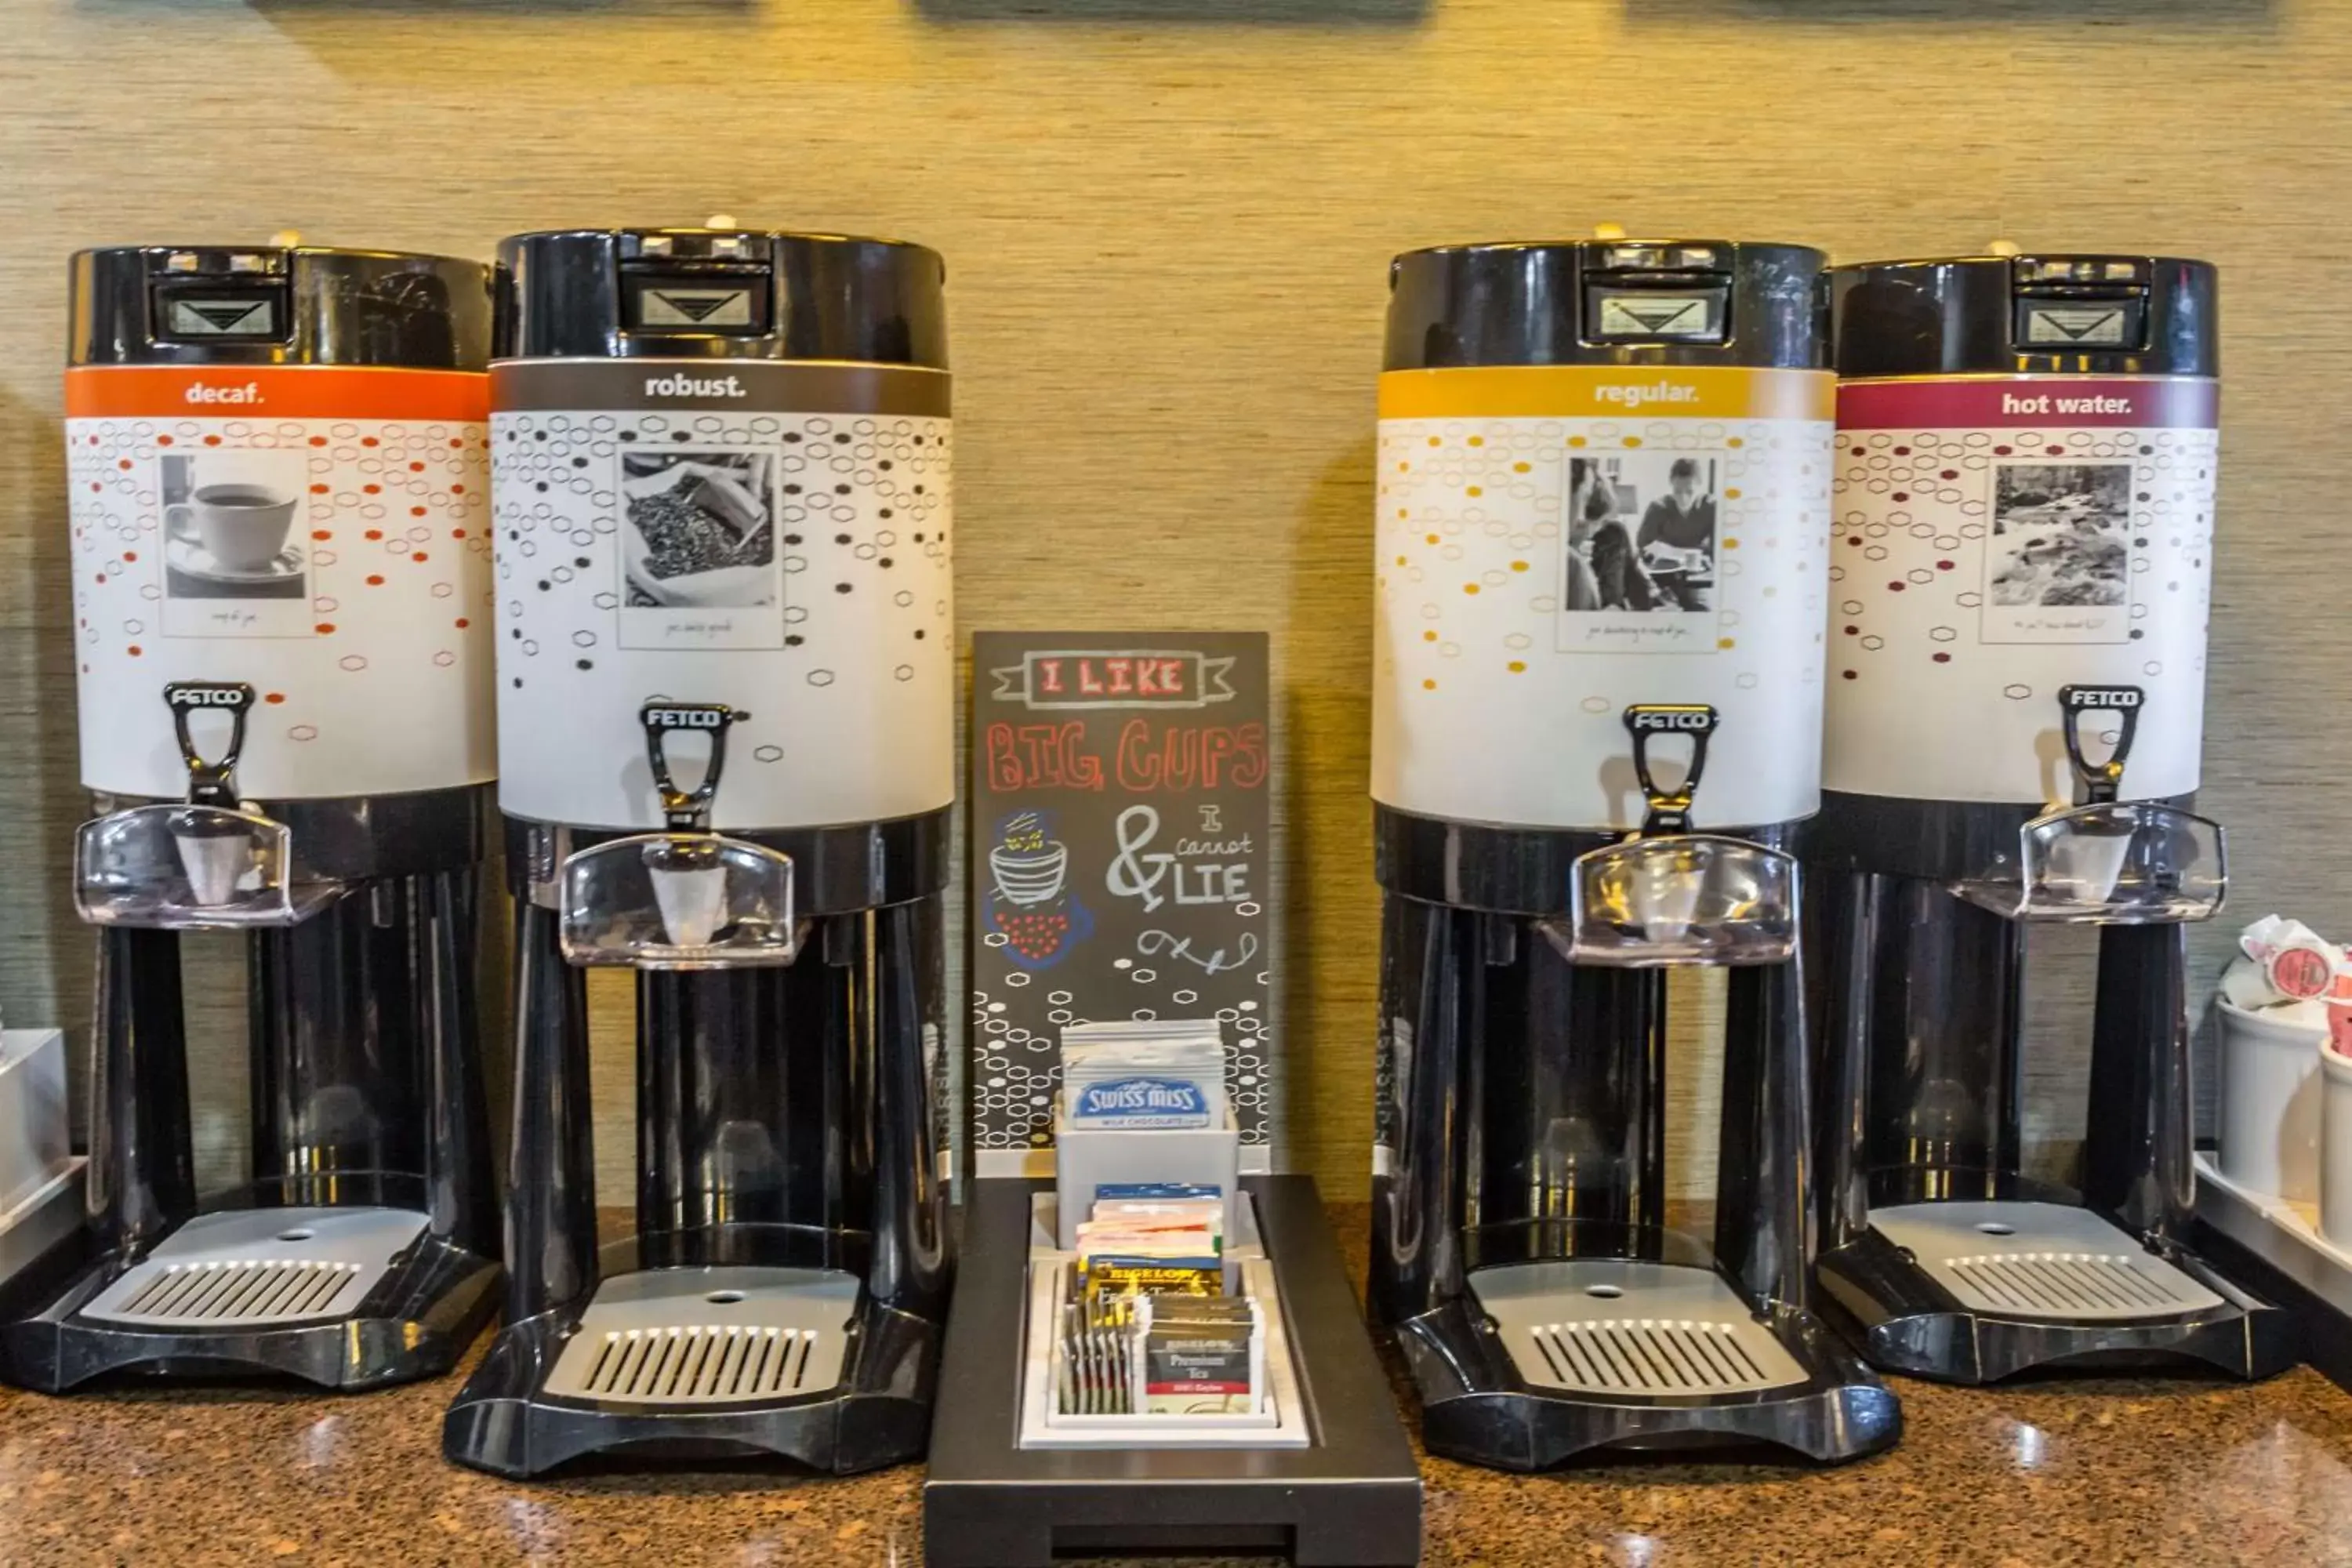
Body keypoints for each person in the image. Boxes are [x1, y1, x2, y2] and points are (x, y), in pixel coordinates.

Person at [1637, 458, 1715, 610]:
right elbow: (1642, 546)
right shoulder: (1658, 508)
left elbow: (1719, 550)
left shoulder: (1711, 508)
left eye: (1690, 492)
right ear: (1671, 483)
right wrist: (1695, 552)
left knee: (1701, 609)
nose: (1683, 499)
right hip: (1662, 579)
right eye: (1677, 492)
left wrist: (1672, 551)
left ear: (1700, 486)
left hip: (1696, 579)